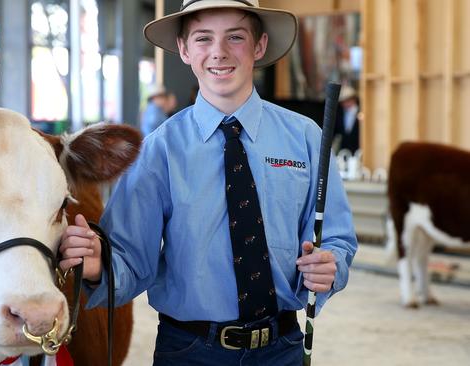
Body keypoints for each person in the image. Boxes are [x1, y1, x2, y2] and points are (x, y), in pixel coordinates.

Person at [59, 1, 357, 365]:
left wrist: (331, 265)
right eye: (203, 38)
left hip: (283, 349)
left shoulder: (306, 139)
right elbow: (129, 259)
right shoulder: (158, 151)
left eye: (235, 37)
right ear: (184, 50)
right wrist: (96, 264)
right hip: (189, 350)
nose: (219, 52)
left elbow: (337, 239)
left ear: (259, 46)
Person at [333, 85, 360, 154]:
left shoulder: (361, 112)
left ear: (353, 99)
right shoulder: (340, 114)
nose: (344, 104)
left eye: (347, 100)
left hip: (359, 149)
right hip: (344, 151)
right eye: (343, 101)